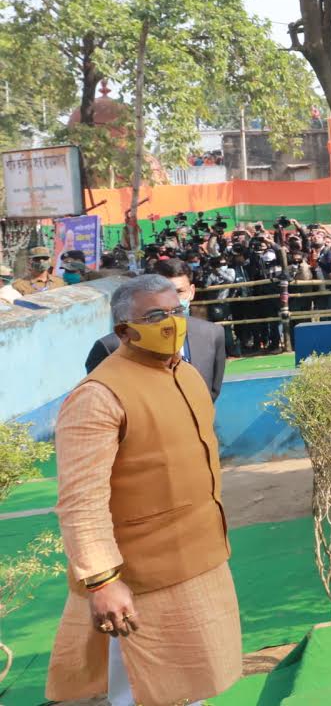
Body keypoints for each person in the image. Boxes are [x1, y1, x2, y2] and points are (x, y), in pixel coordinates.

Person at [45, 275, 242, 706]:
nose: (170, 324)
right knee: (141, 690)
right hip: (138, 579)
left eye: (175, 312)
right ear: (123, 331)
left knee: (192, 688)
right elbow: (81, 501)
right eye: (154, 316)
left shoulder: (186, 375)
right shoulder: (98, 395)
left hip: (199, 559)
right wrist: (102, 581)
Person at [84, 259, 228, 400]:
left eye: (179, 292)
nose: (172, 300)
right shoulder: (109, 347)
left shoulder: (212, 334)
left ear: (191, 292)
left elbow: (212, 392)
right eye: (162, 293)